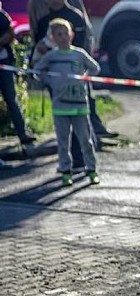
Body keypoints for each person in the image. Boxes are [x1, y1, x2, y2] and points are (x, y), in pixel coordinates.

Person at [30, 0, 117, 141]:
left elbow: (82, 44)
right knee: (62, 115)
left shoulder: (75, 16)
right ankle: (69, 145)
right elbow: (38, 47)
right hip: (56, 78)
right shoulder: (43, 21)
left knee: (85, 108)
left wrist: (82, 68)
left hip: (77, 73)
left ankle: (92, 138)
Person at [33, 17, 99, 186]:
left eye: (65, 34)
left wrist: (84, 78)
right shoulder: (51, 56)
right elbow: (37, 70)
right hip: (60, 106)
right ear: (53, 38)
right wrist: (50, 81)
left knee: (85, 140)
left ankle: (91, 169)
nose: (62, 37)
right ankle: (65, 171)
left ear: (71, 35)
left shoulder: (79, 54)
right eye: (58, 34)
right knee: (63, 142)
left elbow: (95, 67)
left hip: (79, 105)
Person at [1, 2, 37, 148]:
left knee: (11, 98)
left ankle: (22, 133)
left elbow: (10, 34)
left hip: (4, 63)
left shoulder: (3, 17)